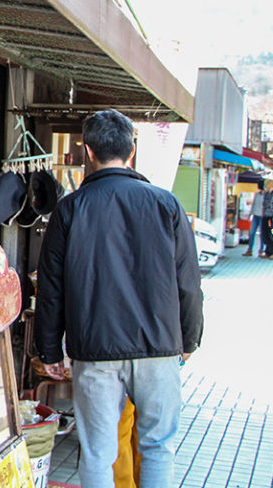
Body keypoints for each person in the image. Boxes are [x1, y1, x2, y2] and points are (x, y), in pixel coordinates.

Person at [34, 109, 204, 488]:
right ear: (131, 150)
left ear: (88, 151)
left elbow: (51, 288)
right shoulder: (167, 205)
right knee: (158, 446)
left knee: (98, 450)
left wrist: (48, 351)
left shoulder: (70, 209)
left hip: (95, 349)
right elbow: (188, 283)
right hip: (160, 346)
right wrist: (189, 339)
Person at [244, 182, 269, 256]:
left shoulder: (267, 195)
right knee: (251, 232)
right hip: (255, 216)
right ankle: (250, 249)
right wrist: (250, 214)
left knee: (262, 234)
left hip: (263, 216)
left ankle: (261, 250)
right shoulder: (257, 194)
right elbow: (254, 204)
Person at [262, 184, 273, 258]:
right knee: (265, 233)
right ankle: (268, 252)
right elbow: (264, 204)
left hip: (271, 216)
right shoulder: (266, 194)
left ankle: (271, 252)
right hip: (266, 215)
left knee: (271, 233)